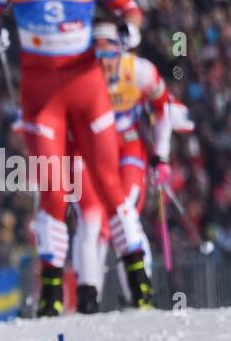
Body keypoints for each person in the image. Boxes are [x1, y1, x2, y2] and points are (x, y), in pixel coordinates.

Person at [0, 0, 154, 315]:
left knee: (109, 183)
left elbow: (130, 7)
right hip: (42, 94)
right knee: (52, 190)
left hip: (87, 87)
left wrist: (130, 29)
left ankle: (139, 282)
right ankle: (53, 292)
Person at [72, 22, 178, 311]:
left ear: (120, 53)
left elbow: (163, 107)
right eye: (97, 58)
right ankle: (88, 299)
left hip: (127, 147)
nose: (104, 66)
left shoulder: (139, 71)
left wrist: (161, 155)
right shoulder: (78, 75)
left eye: (109, 57)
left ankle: (139, 294)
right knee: (92, 222)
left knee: (126, 212)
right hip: (90, 151)